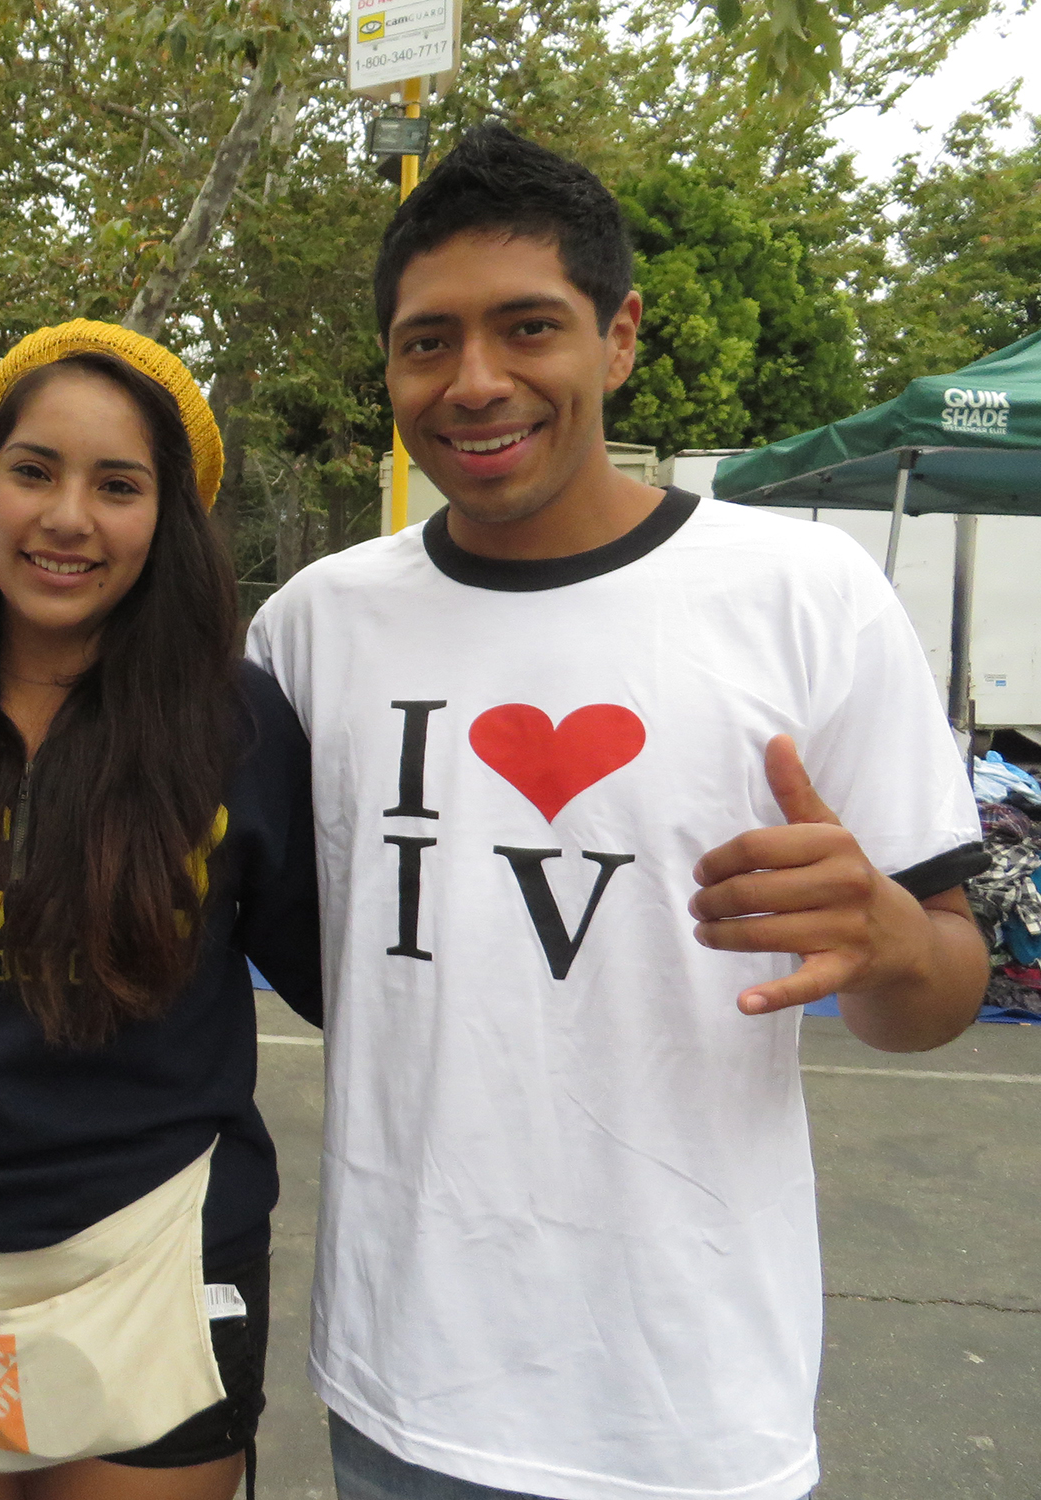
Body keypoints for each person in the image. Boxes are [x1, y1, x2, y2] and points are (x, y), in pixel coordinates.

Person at [246, 123, 990, 1500]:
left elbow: (938, 994)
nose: (476, 383)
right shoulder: (315, 628)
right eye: (427, 342)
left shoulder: (802, 598)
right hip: (399, 1391)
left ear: (621, 335)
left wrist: (889, 942)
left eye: (529, 327)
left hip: (689, 1414)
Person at [0, 321, 321, 1500]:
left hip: (154, 1258)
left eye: (118, 484)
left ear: (168, 524)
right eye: (32, 470)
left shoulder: (236, 731)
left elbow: (347, 978)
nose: (67, 516)